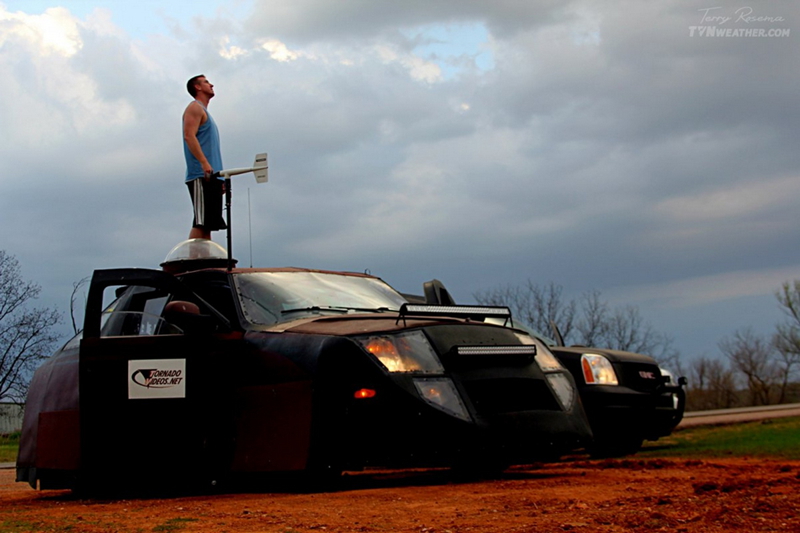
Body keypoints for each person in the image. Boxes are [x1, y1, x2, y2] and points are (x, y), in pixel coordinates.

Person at [183, 74, 226, 240]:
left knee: (209, 223)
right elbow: (189, 136)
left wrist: (220, 178)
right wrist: (203, 163)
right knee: (201, 222)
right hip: (201, 175)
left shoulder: (205, 112)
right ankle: (190, 262)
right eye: (206, 82)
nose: (211, 85)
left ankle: (203, 259)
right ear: (198, 87)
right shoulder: (194, 108)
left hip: (211, 175)